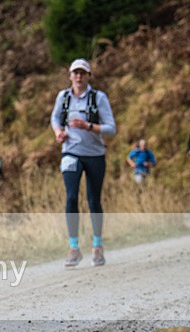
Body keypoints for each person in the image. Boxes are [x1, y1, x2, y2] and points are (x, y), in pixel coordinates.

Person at [50, 58, 116, 268]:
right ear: (70, 76)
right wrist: (59, 132)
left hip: (95, 154)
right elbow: (54, 119)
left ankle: (97, 245)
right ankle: (73, 247)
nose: (78, 76)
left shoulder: (99, 97)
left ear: (88, 76)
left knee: (93, 199)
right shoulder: (64, 97)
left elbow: (111, 128)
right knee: (70, 197)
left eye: (82, 73)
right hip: (70, 152)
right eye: (75, 73)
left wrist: (88, 126)